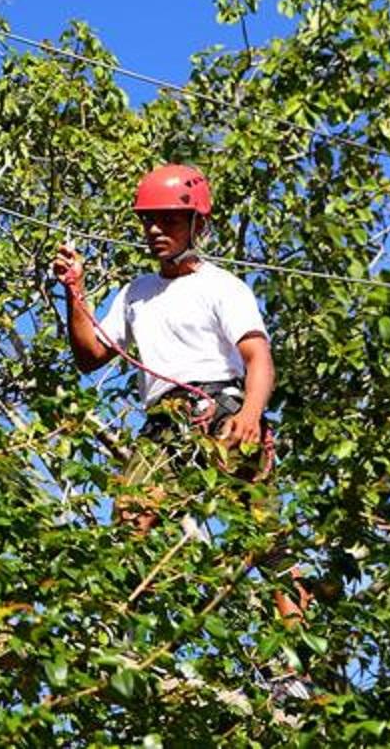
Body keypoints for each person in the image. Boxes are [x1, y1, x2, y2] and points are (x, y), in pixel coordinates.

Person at [53, 163, 275, 522]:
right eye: (148, 220)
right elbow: (90, 356)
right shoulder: (135, 293)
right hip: (163, 423)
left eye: (169, 220)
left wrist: (251, 414)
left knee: (263, 542)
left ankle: (298, 579)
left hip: (220, 412)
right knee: (132, 525)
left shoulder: (221, 286)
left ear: (197, 225)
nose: (155, 229)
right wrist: (74, 290)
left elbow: (258, 357)